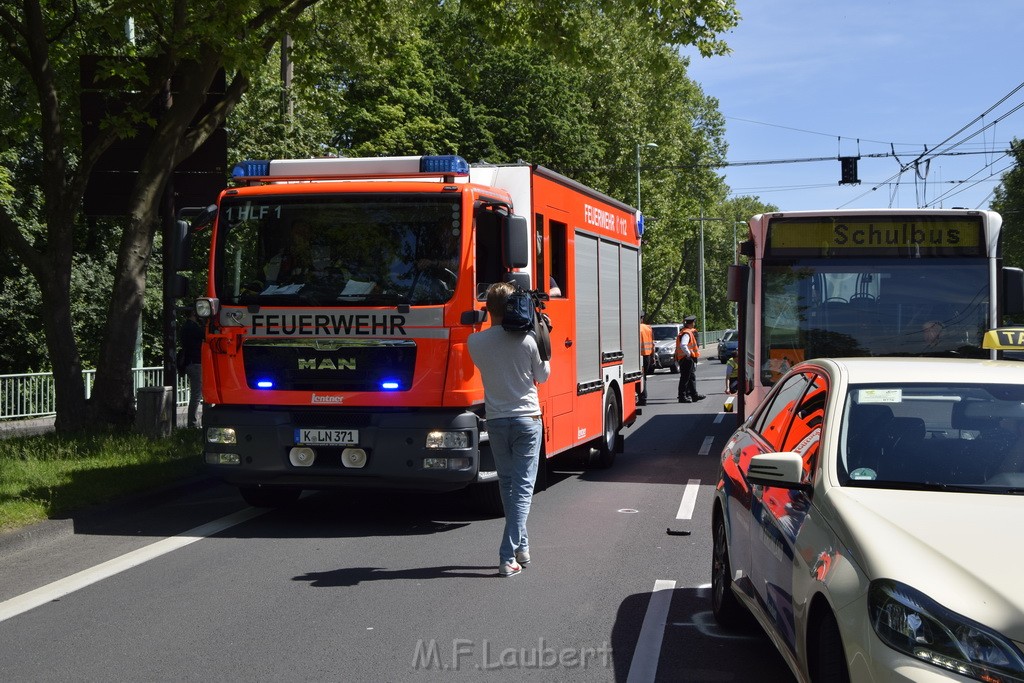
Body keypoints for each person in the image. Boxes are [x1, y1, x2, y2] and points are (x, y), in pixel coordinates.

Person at [467, 281, 551, 577]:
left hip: (497, 421)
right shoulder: (528, 339)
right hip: (528, 420)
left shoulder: (475, 342)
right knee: (524, 488)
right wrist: (544, 339)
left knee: (508, 485)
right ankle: (506, 556)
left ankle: (522, 548)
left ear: (488, 308)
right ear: (514, 306)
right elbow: (542, 375)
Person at [180, 309, 205, 428]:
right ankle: (193, 423)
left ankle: (194, 423)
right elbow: (205, 335)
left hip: (190, 363)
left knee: (197, 394)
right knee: (197, 395)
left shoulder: (185, 327)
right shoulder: (194, 328)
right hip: (196, 364)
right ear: (194, 314)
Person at [676, 315, 705, 403]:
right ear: (691, 323)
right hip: (686, 359)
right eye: (694, 322)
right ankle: (682, 397)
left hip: (685, 358)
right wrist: (688, 354)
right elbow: (683, 345)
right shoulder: (687, 333)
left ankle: (694, 395)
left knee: (691, 377)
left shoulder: (685, 331)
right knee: (685, 378)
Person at [638, 314, 654, 405]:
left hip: (639, 356)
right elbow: (652, 343)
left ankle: (642, 398)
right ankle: (643, 398)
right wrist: (653, 357)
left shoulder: (636, 328)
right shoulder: (648, 328)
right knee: (644, 377)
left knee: (640, 377)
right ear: (642, 318)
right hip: (647, 356)